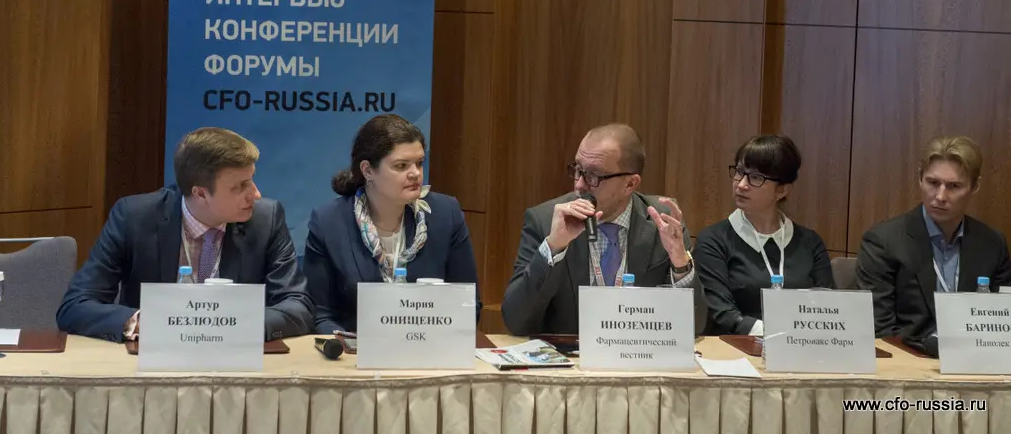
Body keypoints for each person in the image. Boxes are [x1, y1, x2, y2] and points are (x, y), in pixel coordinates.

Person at [56, 127, 314, 342]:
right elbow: (75, 306)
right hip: (153, 359)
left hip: (237, 357)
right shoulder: (135, 217)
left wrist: (236, 325)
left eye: (252, 180)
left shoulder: (266, 219)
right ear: (200, 193)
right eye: (240, 186)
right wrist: (142, 322)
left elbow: (298, 305)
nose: (255, 194)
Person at [501, 124, 708, 336]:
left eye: (593, 176)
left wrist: (680, 263)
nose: (580, 185)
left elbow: (694, 328)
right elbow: (516, 322)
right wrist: (554, 247)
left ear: (630, 184)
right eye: (578, 170)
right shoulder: (546, 221)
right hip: (572, 355)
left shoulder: (662, 222)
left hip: (638, 352)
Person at [303, 114, 480, 334]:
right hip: (357, 350)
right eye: (401, 165)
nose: (415, 173)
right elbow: (319, 315)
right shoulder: (329, 223)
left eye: (419, 163)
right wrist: (353, 343)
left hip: (428, 347)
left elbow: (469, 305)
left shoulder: (445, 214)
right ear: (368, 170)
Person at [855, 135, 1011, 352]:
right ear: (920, 179)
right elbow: (879, 331)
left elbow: (1002, 324)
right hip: (908, 361)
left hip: (973, 359)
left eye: (954, 186)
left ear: (974, 187)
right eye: (933, 183)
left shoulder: (992, 244)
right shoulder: (883, 241)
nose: (940, 196)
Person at [693, 135, 834, 335]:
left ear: (782, 190)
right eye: (739, 172)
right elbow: (720, 312)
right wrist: (775, 334)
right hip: (737, 346)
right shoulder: (714, 240)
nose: (741, 184)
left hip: (803, 345)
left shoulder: (810, 243)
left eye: (756, 178)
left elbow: (828, 308)